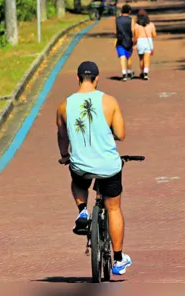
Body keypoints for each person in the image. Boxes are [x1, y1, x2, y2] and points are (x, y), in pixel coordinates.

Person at [56, 61, 132, 275]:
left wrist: (64, 156)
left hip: (81, 165)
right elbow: (121, 134)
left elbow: (62, 135)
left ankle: (82, 211)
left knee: (77, 179)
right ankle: (118, 259)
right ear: (97, 78)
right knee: (114, 208)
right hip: (108, 166)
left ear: (77, 78)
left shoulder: (64, 106)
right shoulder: (109, 102)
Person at [133, 9, 156, 80]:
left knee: (141, 59)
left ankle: (142, 72)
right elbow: (154, 35)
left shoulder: (136, 25)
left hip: (140, 41)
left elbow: (135, 36)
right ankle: (146, 73)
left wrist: (134, 44)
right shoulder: (151, 25)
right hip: (148, 41)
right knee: (147, 58)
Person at [114, 4, 135, 81]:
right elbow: (133, 31)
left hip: (120, 40)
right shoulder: (131, 19)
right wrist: (134, 41)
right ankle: (129, 72)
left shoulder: (117, 19)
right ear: (129, 11)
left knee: (122, 57)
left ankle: (124, 74)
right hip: (129, 41)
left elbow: (115, 31)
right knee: (128, 57)